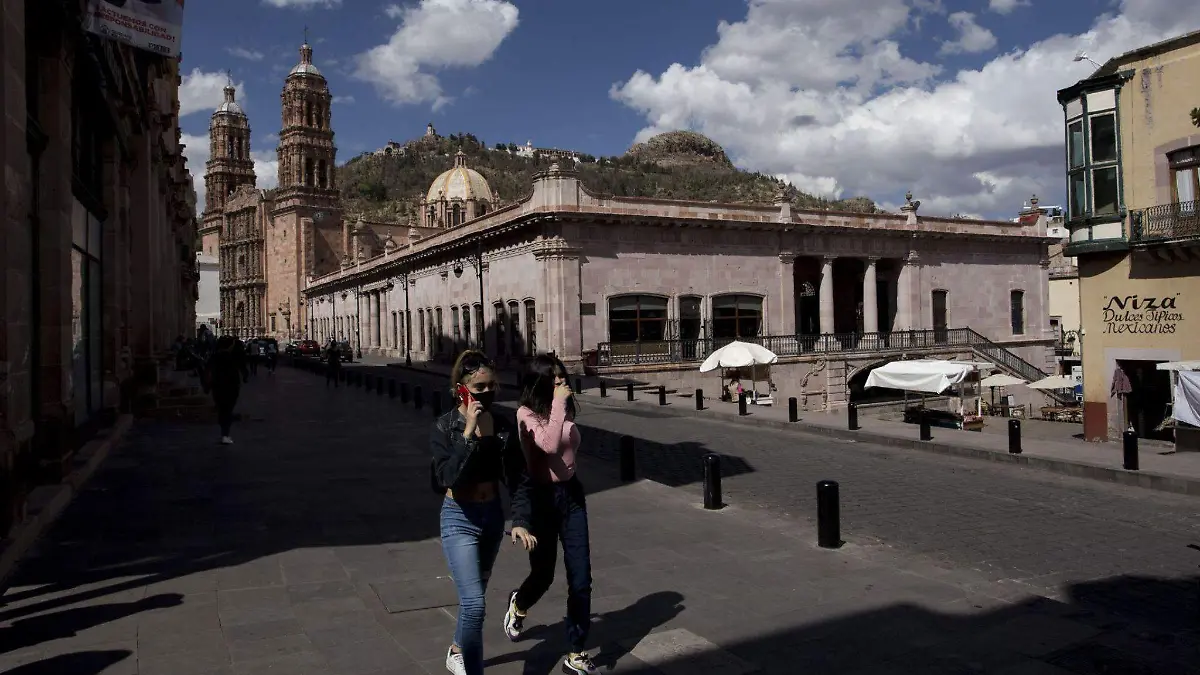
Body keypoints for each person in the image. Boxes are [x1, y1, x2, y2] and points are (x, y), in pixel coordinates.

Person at [431, 349, 537, 675]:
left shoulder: (502, 426)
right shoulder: (446, 426)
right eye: (479, 388)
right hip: (459, 518)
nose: (487, 393)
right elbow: (444, 478)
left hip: (491, 517)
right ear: (461, 389)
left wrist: (520, 520)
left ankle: (457, 649)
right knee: (475, 605)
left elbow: (518, 477)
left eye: (492, 386)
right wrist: (468, 434)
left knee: (474, 596)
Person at [503, 354, 597, 674]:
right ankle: (519, 603)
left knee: (581, 578)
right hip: (541, 501)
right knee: (543, 575)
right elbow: (549, 445)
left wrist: (560, 406)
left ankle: (577, 651)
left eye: (562, 377)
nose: (561, 383)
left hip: (571, 498)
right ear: (538, 383)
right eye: (553, 378)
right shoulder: (525, 413)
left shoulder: (562, 407)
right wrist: (558, 403)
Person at [205, 336, 249, 445]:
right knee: (228, 409)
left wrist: (207, 386)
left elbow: (208, 372)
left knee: (222, 409)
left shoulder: (214, 356)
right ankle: (225, 434)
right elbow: (243, 368)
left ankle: (224, 432)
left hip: (217, 386)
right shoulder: (234, 356)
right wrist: (245, 377)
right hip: (231, 386)